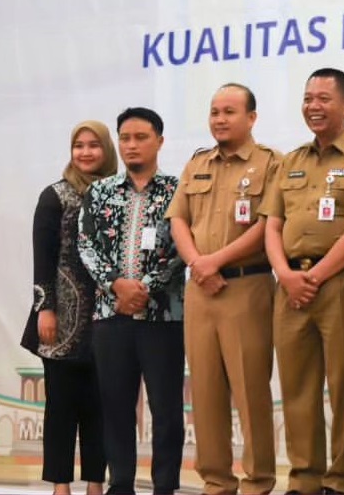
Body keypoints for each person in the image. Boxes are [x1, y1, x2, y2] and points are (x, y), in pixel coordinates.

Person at [258, 68, 344, 495]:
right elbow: (272, 224)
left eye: (324, 99)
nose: (313, 106)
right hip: (290, 284)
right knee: (296, 388)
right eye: (308, 98)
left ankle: (343, 481)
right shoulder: (290, 161)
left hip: (343, 283)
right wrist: (285, 274)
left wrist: (313, 276)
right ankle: (304, 479)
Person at [166, 84, 281, 495]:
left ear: (251, 117)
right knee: (205, 391)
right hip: (201, 290)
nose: (219, 119)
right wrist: (198, 263)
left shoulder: (271, 163)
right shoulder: (197, 163)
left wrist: (215, 261)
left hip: (247, 285)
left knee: (250, 391)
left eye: (229, 111)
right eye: (214, 111)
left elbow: (269, 224)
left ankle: (258, 482)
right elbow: (178, 219)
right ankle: (216, 481)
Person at [78, 107, 185, 495]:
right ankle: (120, 484)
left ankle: (164, 486)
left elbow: (183, 248)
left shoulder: (178, 190)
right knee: (115, 406)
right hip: (111, 316)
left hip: (163, 318)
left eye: (141, 137)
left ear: (160, 141)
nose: (132, 145)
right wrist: (116, 286)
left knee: (166, 409)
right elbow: (86, 245)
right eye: (125, 138)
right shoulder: (99, 191)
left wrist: (145, 289)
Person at [21, 120, 117, 495]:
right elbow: (42, 258)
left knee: (100, 405)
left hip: (107, 318)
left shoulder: (117, 195)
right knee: (61, 406)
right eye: (79, 145)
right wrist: (45, 308)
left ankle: (96, 482)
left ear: (106, 149)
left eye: (94, 145)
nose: (86, 152)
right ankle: (61, 484)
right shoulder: (55, 196)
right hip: (60, 319)